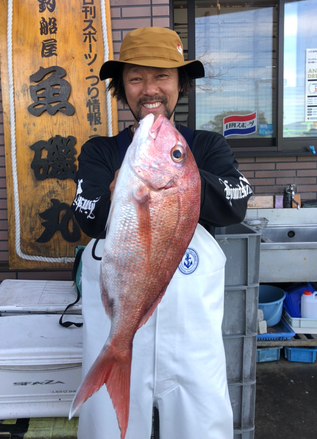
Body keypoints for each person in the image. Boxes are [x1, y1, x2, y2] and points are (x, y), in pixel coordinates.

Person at [72, 26, 253, 439]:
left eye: (162, 77)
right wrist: (120, 194)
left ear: (180, 85)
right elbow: (87, 216)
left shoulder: (206, 147)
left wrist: (179, 177)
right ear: (121, 87)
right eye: (135, 78)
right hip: (117, 318)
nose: (149, 89)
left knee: (202, 430)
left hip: (190, 338)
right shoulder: (100, 151)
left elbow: (236, 201)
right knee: (108, 431)